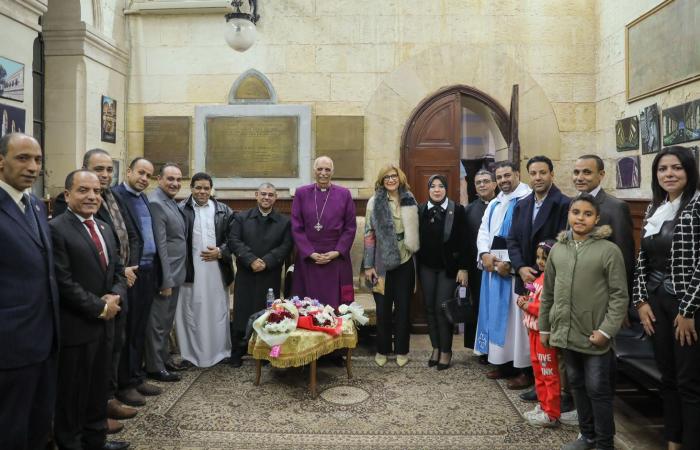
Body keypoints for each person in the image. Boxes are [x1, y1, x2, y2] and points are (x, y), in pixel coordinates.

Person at [53, 148, 139, 430]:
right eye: (83, 190)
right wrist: (100, 306)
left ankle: (96, 435)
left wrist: (115, 296)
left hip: (109, 315)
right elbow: (62, 280)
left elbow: (117, 268)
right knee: (75, 390)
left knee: (98, 382)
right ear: (67, 195)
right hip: (79, 322)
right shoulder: (57, 228)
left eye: (95, 191)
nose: (92, 195)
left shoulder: (102, 226)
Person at [540, 194, 628, 450]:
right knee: (576, 384)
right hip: (566, 333)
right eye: (576, 212)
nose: (580, 218)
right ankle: (587, 435)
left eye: (587, 214)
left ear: (597, 219)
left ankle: (604, 442)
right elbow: (548, 292)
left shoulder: (608, 251)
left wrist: (606, 330)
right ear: (568, 215)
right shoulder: (558, 249)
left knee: (597, 389)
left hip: (594, 335)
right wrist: (546, 327)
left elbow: (619, 296)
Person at [634, 146, 700, 449]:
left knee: (690, 381)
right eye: (662, 169)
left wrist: (688, 310)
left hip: (688, 306)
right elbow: (642, 260)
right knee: (668, 377)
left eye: (677, 168)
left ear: (689, 171)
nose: (669, 174)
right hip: (657, 300)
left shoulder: (697, 205)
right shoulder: (654, 208)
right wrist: (642, 301)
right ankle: (673, 439)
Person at [0, 133, 59, 450]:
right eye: (23, 158)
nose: (33, 166)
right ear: (1, 161)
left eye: (37, 160)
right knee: (10, 430)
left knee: (38, 426)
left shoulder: (35, 205)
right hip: (10, 346)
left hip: (44, 340)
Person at [506, 155, 570, 393]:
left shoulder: (564, 204)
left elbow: (563, 240)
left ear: (552, 174)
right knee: (531, 332)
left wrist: (540, 270)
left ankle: (552, 387)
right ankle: (537, 380)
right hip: (525, 276)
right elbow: (512, 239)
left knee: (548, 336)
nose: (538, 177)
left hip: (549, 281)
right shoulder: (522, 204)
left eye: (543, 172)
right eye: (533, 173)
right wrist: (521, 267)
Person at [112, 157, 164, 406]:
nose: (144, 178)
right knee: (128, 329)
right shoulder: (115, 196)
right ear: (129, 171)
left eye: (149, 175)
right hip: (130, 272)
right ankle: (125, 384)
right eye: (141, 173)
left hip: (147, 270)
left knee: (140, 327)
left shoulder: (143, 197)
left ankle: (136, 375)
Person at [474, 161, 532, 378]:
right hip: (493, 270)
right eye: (499, 177)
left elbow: (525, 237)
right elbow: (483, 231)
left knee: (517, 323)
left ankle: (523, 369)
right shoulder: (495, 203)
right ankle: (502, 363)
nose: (503, 180)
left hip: (513, 273)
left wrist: (510, 264)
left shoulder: (526, 199)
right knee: (497, 317)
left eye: (507, 175)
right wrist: (484, 254)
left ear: (517, 174)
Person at [229, 182, 293, 367]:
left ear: (276, 198)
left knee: (268, 313)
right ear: (256, 195)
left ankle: (265, 351)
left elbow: (286, 246)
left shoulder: (284, 222)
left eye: (270, 195)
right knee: (242, 311)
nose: (266, 197)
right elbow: (234, 240)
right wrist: (251, 260)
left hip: (269, 274)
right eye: (263, 194)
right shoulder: (241, 218)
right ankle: (238, 351)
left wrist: (266, 261)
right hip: (246, 273)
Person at [176, 172, 235, 368]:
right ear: (191, 188)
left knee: (217, 310)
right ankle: (190, 356)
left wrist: (220, 251)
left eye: (206, 188)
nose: (202, 192)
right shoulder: (180, 209)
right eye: (198, 188)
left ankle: (221, 352)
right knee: (190, 310)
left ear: (211, 190)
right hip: (190, 270)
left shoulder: (223, 210)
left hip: (216, 270)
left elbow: (233, 239)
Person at [363, 165, 419, 368]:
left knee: (403, 308)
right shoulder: (374, 201)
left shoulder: (409, 198)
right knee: (383, 309)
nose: (391, 179)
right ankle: (382, 349)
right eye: (386, 176)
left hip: (406, 259)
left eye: (394, 176)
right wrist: (368, 266)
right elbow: (369, 234)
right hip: (381, 261)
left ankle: (402, 350)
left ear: (400, 177)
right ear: (381, 180)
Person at [417, 175, 468, 370]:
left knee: (442, 308)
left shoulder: (457, 210)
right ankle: (436, 348)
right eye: (433, 186)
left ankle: (446, 351)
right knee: (429, 308)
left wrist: (463, 268)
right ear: (428, 189)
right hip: (426, 267)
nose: (437, 190)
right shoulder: (421, 210)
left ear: (446, 189)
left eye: (441, 186)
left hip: (449, 269)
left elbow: (465, 242)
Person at [290, 156, 356, 308]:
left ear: (333, 172)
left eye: (327, 169)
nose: (323, 173)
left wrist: (338, 251)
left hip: (336, 257)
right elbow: (296, 226)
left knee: (336, 304)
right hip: (308, 257)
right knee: (307, 304)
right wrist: (310, 253)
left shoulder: (344, 194)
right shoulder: (301, 193)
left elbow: (350, 227)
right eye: (320, 169)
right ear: (314, 171)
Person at [145, 163, 187, 382]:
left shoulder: (170, 201)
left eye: (179, 179)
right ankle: (154, 366)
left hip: (176, 273)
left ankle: (163, 359)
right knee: (158, 323)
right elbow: (160, 245)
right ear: (159, 179)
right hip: (166, 275)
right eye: (170, 179)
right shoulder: (156, 203)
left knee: (166, 321)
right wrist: (165, 279)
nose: (175, 183)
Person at [573, 155, 635, 300]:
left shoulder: (616, 207)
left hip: (601, 292)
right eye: (576, 172)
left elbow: (624, 258)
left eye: (587, 172)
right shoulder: (572, 204)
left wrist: (621, 299)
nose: (580, 177)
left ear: (601, 175)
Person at [517, 240, 561, 427]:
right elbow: (533, 295)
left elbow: (547, 307)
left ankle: (552, 412)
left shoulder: (555, 280)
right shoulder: (538, 278)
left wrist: (529, 306)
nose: (540, 261)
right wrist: (525, 299)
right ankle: (543, 405)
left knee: (548, 372)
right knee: (538, 370)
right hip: (533, 332)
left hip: (545, 333)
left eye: (545, 257)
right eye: (538, 257)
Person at [464, 169, 497, 356]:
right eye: (478, 182)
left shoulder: (504, 205)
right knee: (478, 307)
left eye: (486, 181)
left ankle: (497, 350)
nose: (482, 185)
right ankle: (480, 348)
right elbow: (466, 243)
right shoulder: (469, 210)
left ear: (494, 184)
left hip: (500, 268)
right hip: (477, 270)